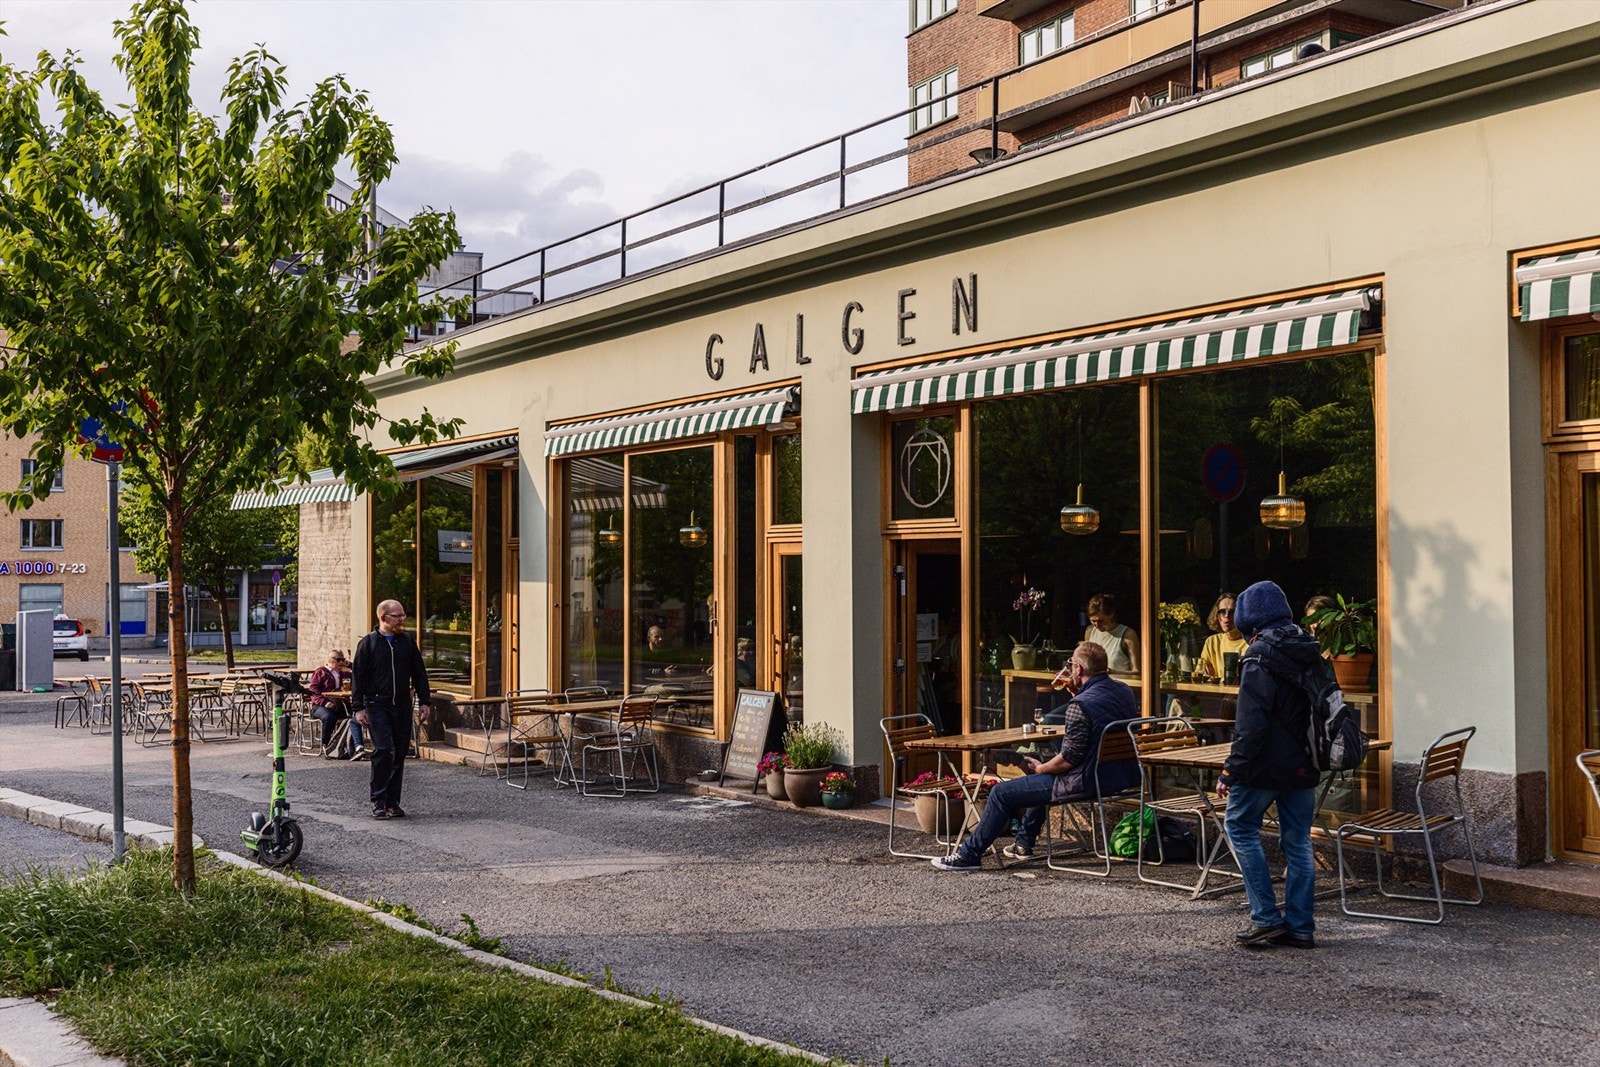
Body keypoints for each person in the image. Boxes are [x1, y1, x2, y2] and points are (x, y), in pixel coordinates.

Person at [933, 642, 1138, 871]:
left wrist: (1042, 768)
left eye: (1070, 664)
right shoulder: (1124, 691)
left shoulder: (1080, 705)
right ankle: (1023, 842)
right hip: (1120, 778)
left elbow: (1068, 760)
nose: (1069, 669)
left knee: (1002, 792)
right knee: (1038, 781)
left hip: (1087, 781)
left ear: (1078, 670)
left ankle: (969, 855)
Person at [1218, 580, 1322, 950]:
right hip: (1305, 763)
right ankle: (1300, 925)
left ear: (1250, 623)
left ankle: (1265, 917)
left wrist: (1232, 769)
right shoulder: (1309, 649)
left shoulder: (1258, 655)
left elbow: (1251, 723)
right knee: (1298, 841)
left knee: (1240, 827)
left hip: (1263, 766)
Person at [351, 600, 431, 819]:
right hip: (377, 705)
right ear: (383, 617)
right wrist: (358, 708)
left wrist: (425, 701)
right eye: (397, 616)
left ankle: (392, 802)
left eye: (403, 615)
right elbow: (358, 676)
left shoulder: (406, 641)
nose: (402, 620)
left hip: (402, 705)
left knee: (400, 752)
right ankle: (378, 799)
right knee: (384, 749)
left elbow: (418, 672)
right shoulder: (369, 643)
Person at [306, 649, 354, 758]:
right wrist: (325, 702)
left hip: (339, 704)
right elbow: (313, 691)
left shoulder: (343, 673)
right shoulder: (321, 672)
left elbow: (360, 673)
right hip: (319, 706)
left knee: (353, 715)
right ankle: (326, 745)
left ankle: (348, 746)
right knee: (329, 716)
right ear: (330, 660)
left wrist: (350, 665)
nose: (341, 663)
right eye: (338, 660)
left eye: (343, 660)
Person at [1081, 593, 1138, 674]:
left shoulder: (1127, 634)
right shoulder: (1090, 632)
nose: (1097, 625)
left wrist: (1111, 672)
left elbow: (1137, 671)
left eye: (1101, 621)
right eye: (1093, 621)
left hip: (1119, 683)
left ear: (1111, 615)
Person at [1198, 592, 1248, 681]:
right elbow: (1200, 675)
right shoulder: (1212, 642)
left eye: (1232, 612)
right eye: (1222, 611)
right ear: (1216, 615)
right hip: (1215, 693)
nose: (1226, 616)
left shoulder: (1250, 642)